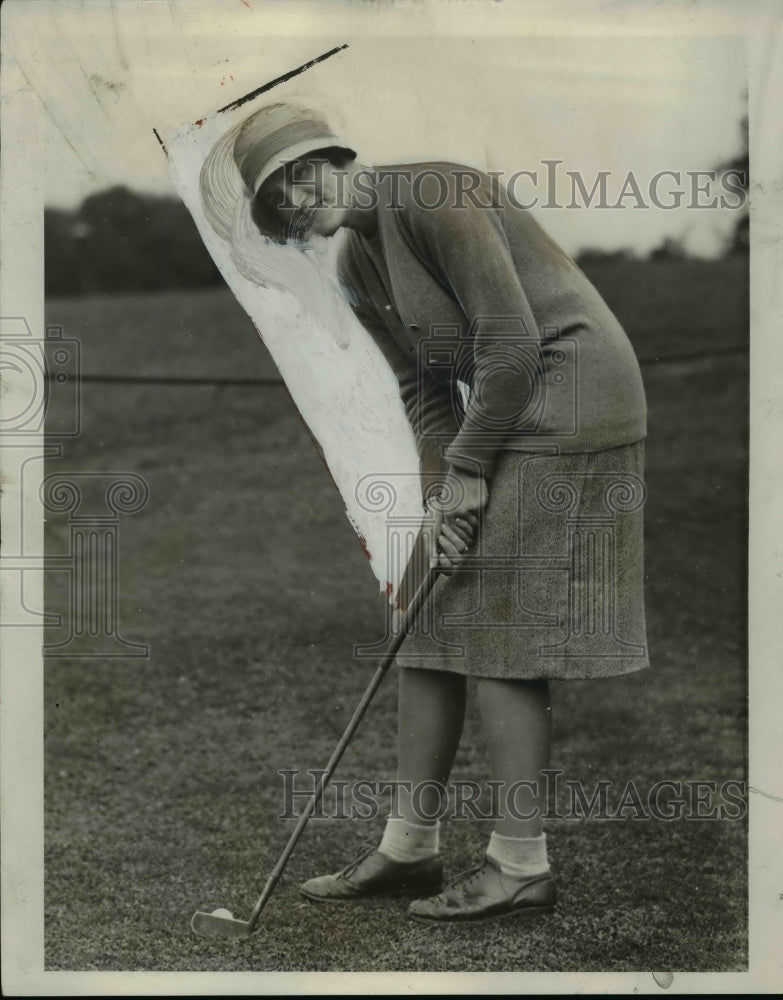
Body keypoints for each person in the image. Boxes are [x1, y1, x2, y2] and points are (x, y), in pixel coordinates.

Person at [200, 102, 649, 924]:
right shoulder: (355, 265)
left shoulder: (432, 193)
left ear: (339, 155)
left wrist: (473, 472)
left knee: (503, 629)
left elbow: (510, 344)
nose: (299, 198)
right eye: (277, 198)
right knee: (425, 605)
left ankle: (520, 864)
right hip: (505, 415)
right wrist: (445, 488)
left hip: (576, 401)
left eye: (305, 172)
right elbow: (423, 391)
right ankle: (408, 849)